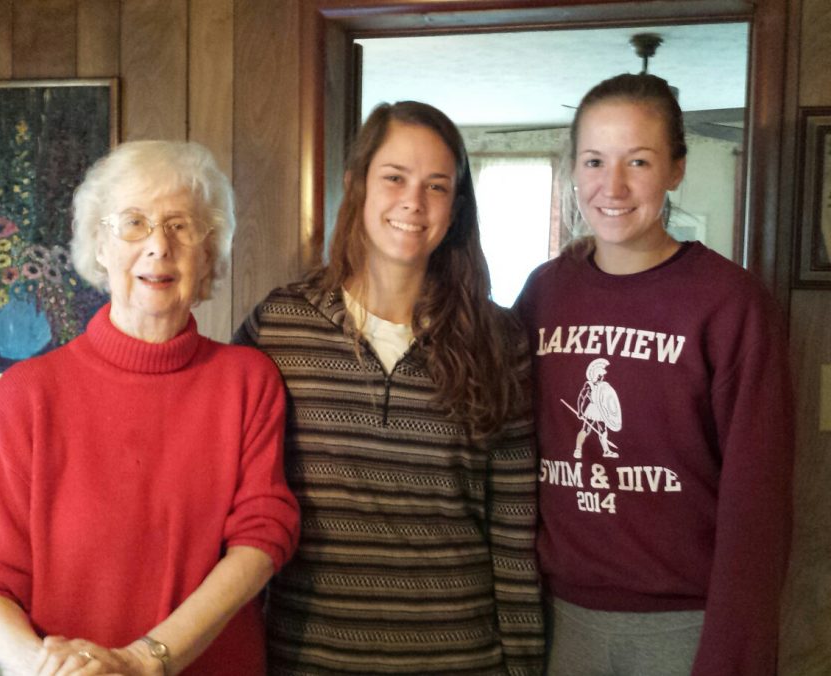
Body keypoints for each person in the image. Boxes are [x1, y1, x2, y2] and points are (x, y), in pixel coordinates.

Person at [0, 140, 300, 676]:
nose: (159, 246)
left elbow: (261, 539)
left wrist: (146, 659)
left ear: (208, 252)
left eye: (181, 225)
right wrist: (43, 669)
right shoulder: (27, 394)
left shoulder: (247, 382)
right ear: (99, 246)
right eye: (133, 223)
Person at [234, 101, 544, 675]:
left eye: (437, 186)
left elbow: (514, 530)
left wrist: (522, 664)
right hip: (309, 657)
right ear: (356, 185)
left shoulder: (499, 339)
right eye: (395, 178)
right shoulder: (278, 326)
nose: (413, 202)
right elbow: (230, 497)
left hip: (460, 657)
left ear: (455, 208)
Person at [515, 73, 793, 675]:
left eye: (637, 161)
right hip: (560, 618)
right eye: (594, 160)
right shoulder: (544, 292)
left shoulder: (729, 303)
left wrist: (734, 651)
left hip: (685, 626)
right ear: (573, 169)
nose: (611, 186)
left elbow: (758, 500)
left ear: (676, 169)